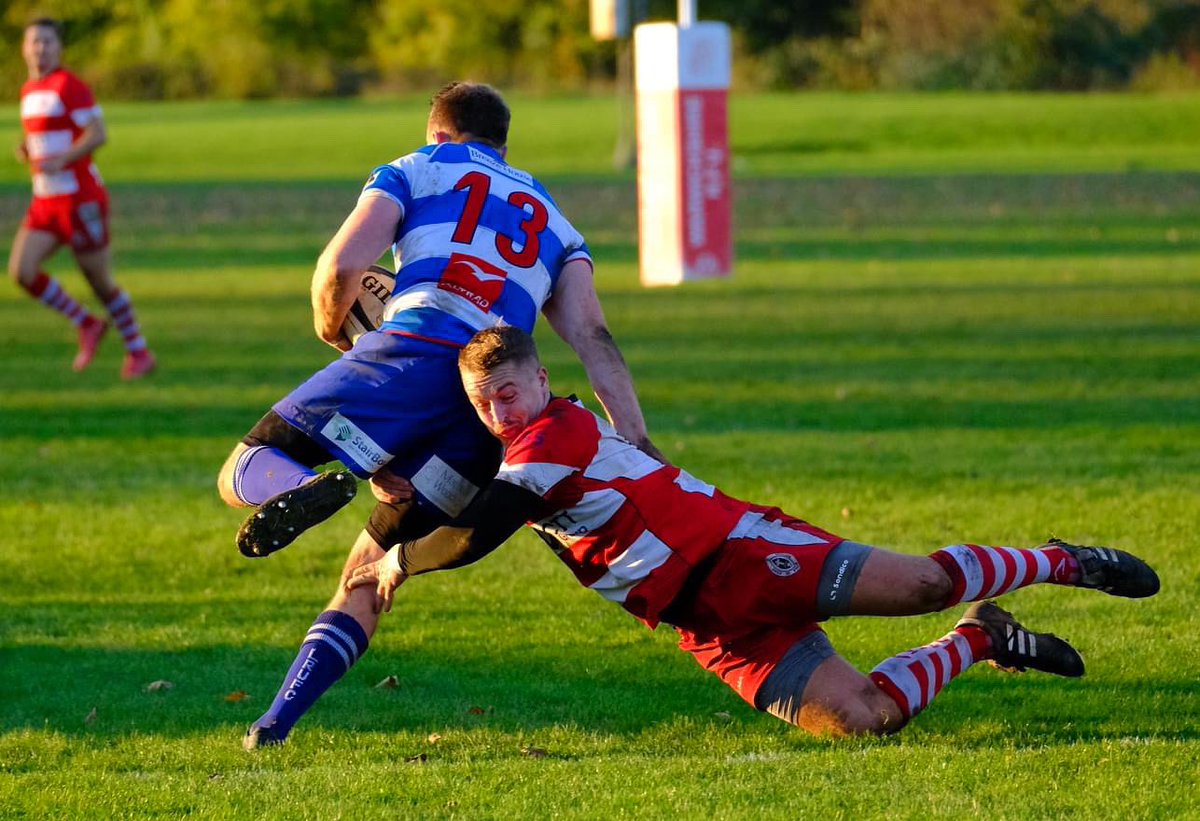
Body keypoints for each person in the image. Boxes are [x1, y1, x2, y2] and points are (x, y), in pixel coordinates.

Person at [343, 325, 1161, 738]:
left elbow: (482, 528)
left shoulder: (550, 434)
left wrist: (401, 559)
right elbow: (463, 502)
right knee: (863, 720)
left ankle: (1061, 560)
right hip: (704, 620)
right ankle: (984, 639)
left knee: (924, 583)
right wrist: (394, 485)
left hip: (739, 550)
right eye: (486, 403)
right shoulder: (507, 452)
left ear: (543, 381)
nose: (500, 411)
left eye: (511, 392)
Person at [221, 83, 660, 748]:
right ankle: (274, 722)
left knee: (243, 468)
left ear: (438, 134)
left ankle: (306, 486)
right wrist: (639, 443)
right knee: (370, 568)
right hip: (489, 414)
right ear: (504, 147)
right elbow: (594, 338)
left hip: (410, 353)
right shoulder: (555, 220)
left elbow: (340, 268)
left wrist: (339, 339)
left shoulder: (414, 168)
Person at [8, 18, 155, 380]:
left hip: (80, 200)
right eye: (34, 42)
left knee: (99, 282)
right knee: (22, 271)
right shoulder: (29, 89)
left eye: (47, 42)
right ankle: (86, 323)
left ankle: (139, 352)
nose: (40, 48)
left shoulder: (69, 86)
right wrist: (30, 149)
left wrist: (64, 159)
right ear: (24, 49)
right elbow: (53, 134)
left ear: (59, 48)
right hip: (45, 203)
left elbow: (97, 134)